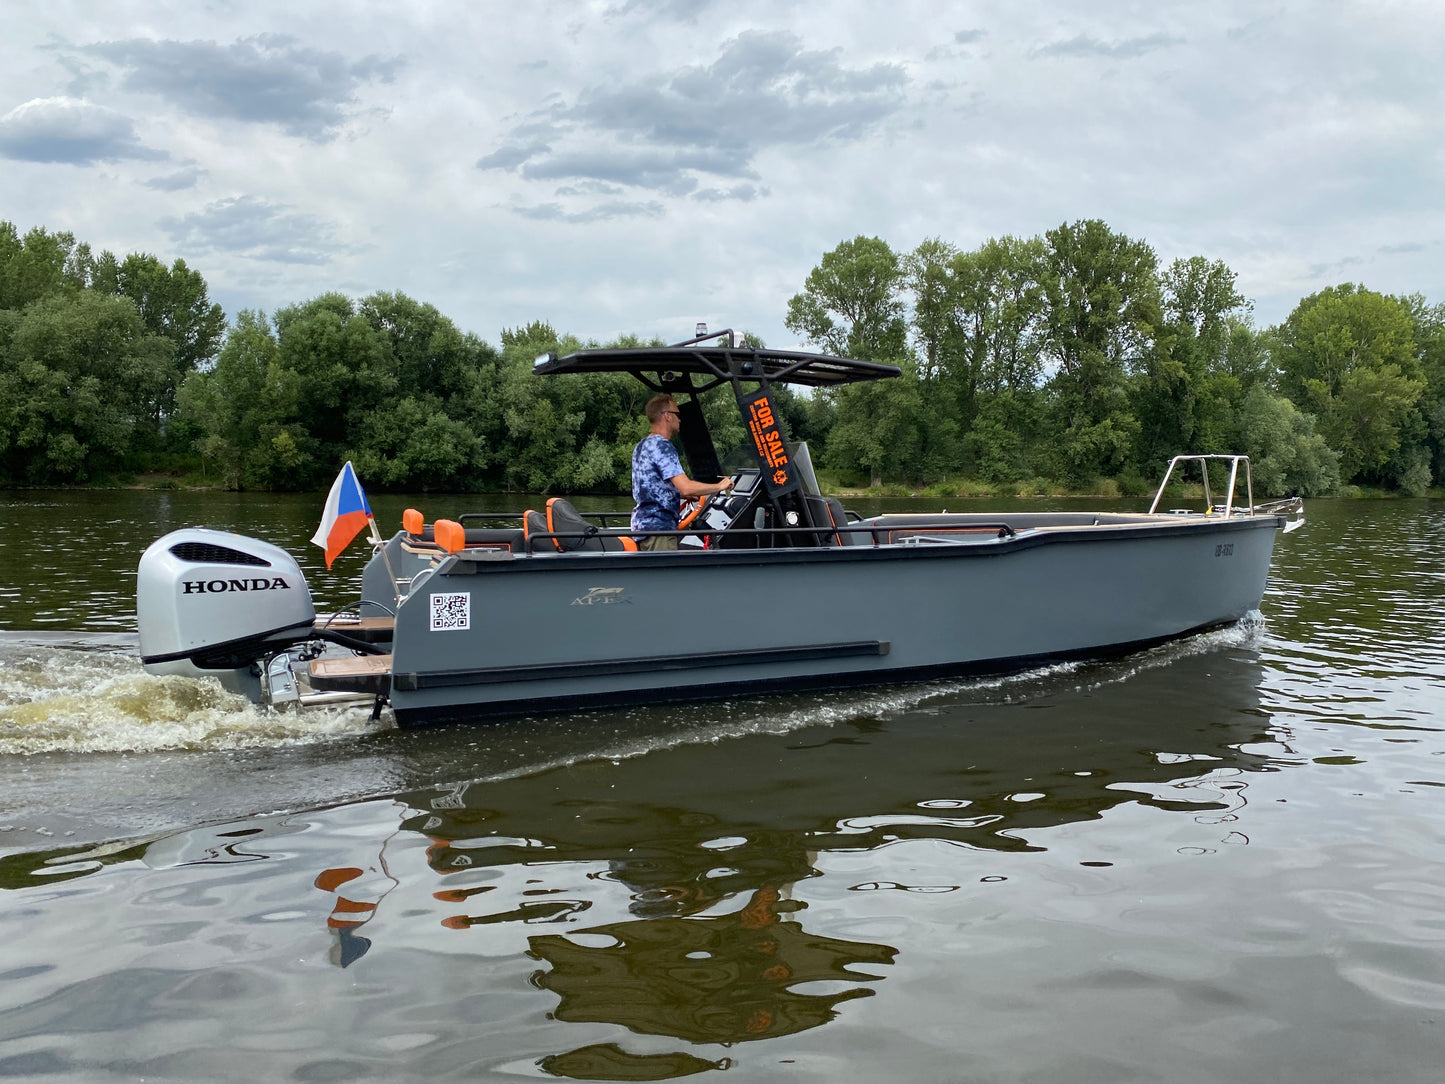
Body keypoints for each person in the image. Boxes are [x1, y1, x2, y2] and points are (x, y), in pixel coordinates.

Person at [631, 394, 733, 550]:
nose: (680, 419)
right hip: (660, 531)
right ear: (667, 416)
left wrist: (680, 495)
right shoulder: (663, 446)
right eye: (677, 415)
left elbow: (651, 488)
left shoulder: (642, 446)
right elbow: (686, 486)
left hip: (642, 527)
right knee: (666, 575)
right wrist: (720, 486)